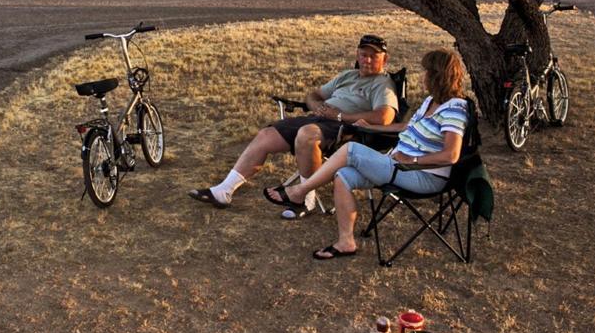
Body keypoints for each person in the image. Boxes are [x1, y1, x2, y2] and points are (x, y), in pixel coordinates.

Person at [279, 48, 470, 260]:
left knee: (350, 150)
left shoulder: (455, 109)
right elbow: (407, 127)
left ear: (438, 76)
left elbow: (451, 155)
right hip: (398, 166)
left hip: (423, 175)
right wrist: (372, 127)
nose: (423, 76)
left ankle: (299, 192)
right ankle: (346, 242)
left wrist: (413, 159)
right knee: (343, 176)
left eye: (426, 72)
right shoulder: (430, 101)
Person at [188, 34, 399, 212]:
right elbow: (313, 94)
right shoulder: (348, 75)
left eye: (374, 56)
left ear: (385, 59)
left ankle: (305, 198)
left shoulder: (383, 83)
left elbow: (384, 117)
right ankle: (224, 191)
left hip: (348, 130)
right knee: (266, 135)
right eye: (364, 55)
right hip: (319, 119)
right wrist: (316, 106)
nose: (368, 60)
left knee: (307, 134)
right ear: (357, 55)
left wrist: (340, 116)